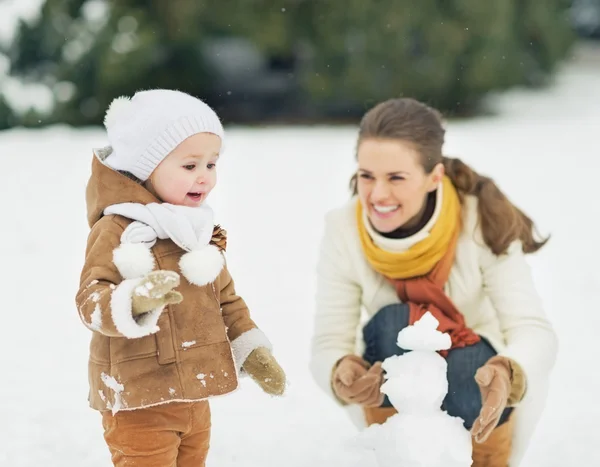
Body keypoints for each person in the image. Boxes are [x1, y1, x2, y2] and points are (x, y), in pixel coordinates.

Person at [309, 97, 557, 466]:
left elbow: (534, 331)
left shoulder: (481, 220)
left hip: (480, 381)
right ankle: (400, 453)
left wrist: (508, 371)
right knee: (396, 323)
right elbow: (329, 341)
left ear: (434, 177)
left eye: (396, 177)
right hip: (394, 379)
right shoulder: (343, 228)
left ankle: (485, 459)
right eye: (366, 176)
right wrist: (341, 370)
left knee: (463, 366)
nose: (377, 195)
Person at [75, 89, 286, 467]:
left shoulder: (197, 231)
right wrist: (134, 301)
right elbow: (90, 301)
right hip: (139, 399)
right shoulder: (117, 229)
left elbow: (226, 301)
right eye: (190, 166)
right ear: (146, 166)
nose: (204, 177)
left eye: (211, 164)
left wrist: (252, 351)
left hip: (194, 394)